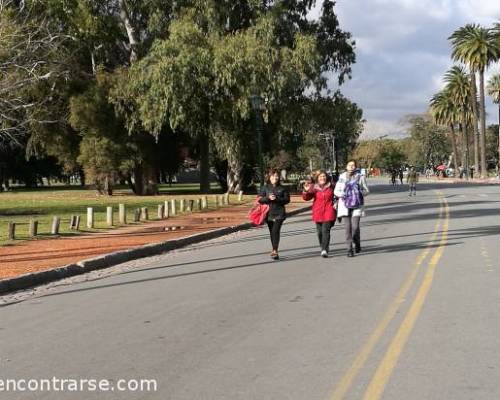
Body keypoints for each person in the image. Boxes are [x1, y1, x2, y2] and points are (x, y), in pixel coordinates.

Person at [334, 160, 370, 257]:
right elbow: (336, 191)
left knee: (355, 227)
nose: (351, 167)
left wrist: (359, 193)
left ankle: (357, 242)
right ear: (346, 166)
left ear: (356, 167)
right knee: (347, 229)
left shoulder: (360, 177)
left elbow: (367, 190)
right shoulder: (341, 177)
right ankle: (349, 249)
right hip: (345, 205)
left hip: (357, 205)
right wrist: (343, 194)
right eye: (349, 165)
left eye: (353, 165)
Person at [302, 170, 337, 258]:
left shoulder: (332, 186)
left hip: (329, 210)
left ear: (327, 177)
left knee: (326, 230)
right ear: (317, 178)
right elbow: (307, 198)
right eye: (320, 177)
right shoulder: (314, 187)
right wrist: (306, 191)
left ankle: (324, 249)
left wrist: (337, 202)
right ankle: (323, 246)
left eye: (324, 176)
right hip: (318, 212)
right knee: (319, 232)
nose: (322, 178)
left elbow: (338, 195)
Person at [259, 169, 290, 260]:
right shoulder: (265, 188)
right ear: (269, 177)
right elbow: (260, 199)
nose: (275, 178)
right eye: (273, 176)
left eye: (276, 176)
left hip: (279, 213)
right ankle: (274, 249)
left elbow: (287, 200)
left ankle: (275, 250)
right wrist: (268, 198)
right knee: (272, 232)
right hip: (268, 213)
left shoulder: (282, 188)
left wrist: (276, 199)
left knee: (275, 231)